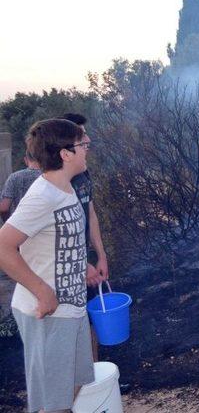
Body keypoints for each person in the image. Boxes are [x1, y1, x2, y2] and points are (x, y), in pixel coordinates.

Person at [0, 118, 94, 412]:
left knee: (71, 391)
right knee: (53, 404)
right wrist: (42, 291)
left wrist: (84, 266)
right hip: (47, 313)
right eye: (82, 143)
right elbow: (3, 245)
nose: (87, 146)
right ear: (65, 153)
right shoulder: (43, 196)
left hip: (71, 309)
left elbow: (56, 242)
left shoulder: (64, 189)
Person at [59, 113, 109, 361]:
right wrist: (81, 265)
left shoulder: (83, 174)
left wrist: (100, 255)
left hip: (83, 258)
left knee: (92, 317)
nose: (88, 140)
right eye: (81, 136)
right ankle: (77, 384)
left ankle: (95, 375)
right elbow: (58, 235)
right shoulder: (55, 183)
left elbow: (90, 214)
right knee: (72, 324)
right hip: (64, 269)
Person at [0, 149, 41, 222]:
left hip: (18, 226)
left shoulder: (14, 177)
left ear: (26, 159)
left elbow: (4, 207)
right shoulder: (51, 177)